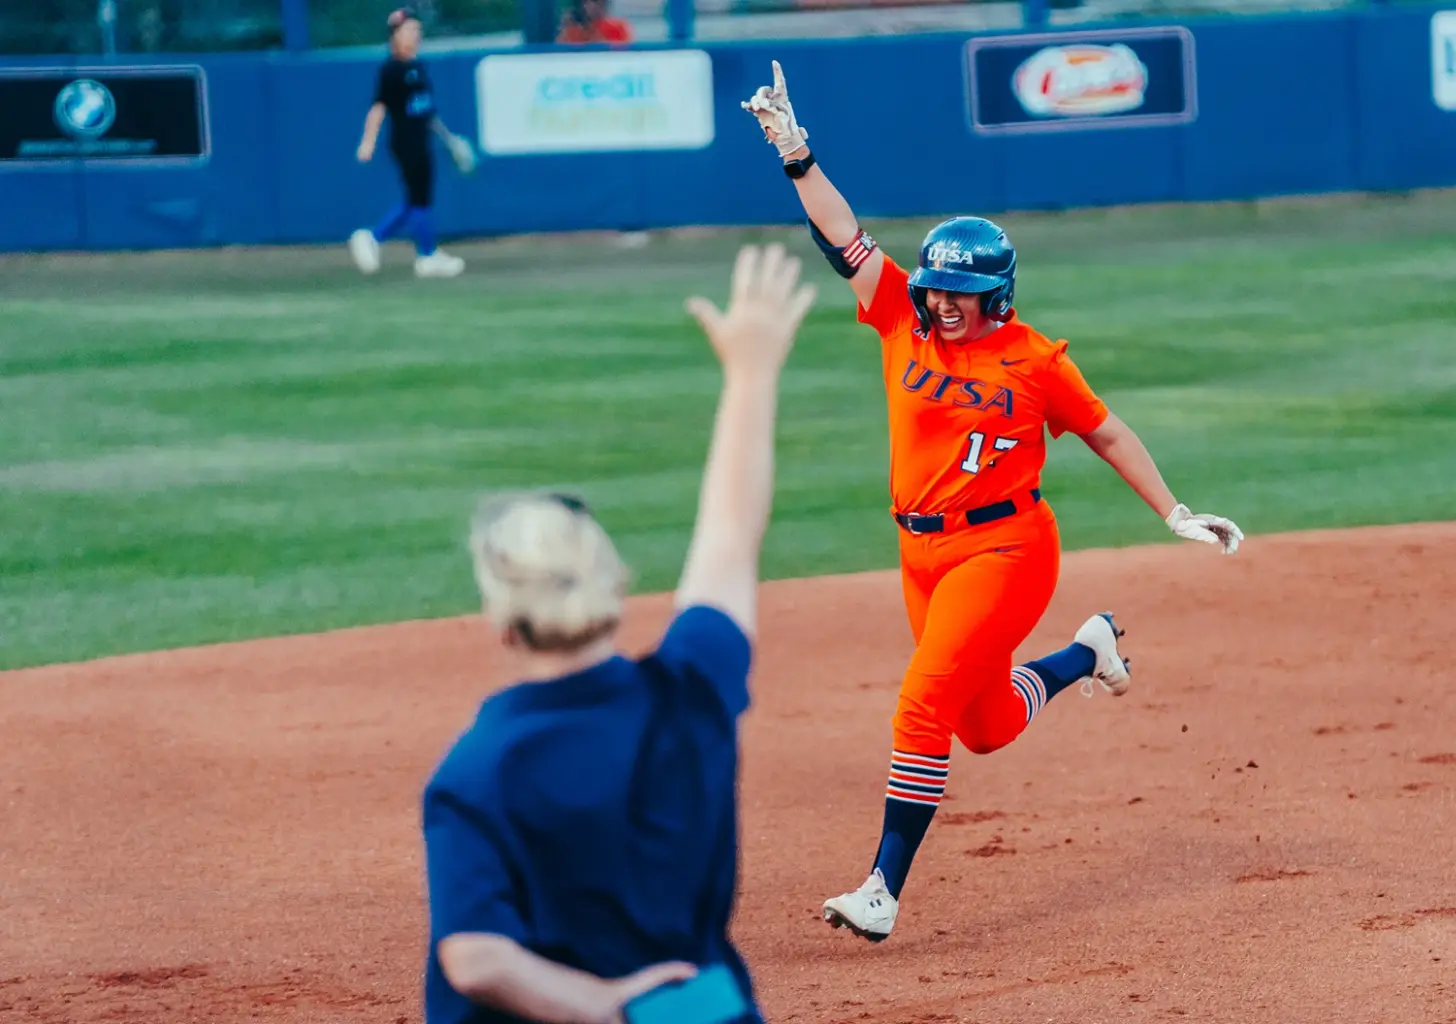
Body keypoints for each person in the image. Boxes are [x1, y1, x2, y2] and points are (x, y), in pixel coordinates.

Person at [739, 61, 1245, 944]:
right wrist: (795, 153)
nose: (939, 302)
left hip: (1007, 552)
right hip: (919, 553)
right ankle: (1088, 654)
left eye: (957, 294)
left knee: (922, 704)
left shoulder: (1037, 363)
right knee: (979, 728)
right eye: (935, 288)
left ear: (996, 296)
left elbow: (1109, 432)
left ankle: (881, 892)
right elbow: (843, 236)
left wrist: (1173, 511)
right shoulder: (899, 316)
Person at [420, 243, 817, 1024]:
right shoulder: (692, 687)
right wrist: (751, 372)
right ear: (618, 587)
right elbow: (731, 535)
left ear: (502, 624)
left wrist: (605, 1007)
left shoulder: (479, 768)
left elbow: (474, 958)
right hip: (705, 1009)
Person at [350, 8, 469, 279]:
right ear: (395, 35)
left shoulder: (419, 67)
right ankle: (421, 254)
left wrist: (449, 140)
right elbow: (378, 108)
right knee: (419, 198)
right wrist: (367, 141)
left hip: (421, 139)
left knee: (418, 199)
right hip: (405, 143)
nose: (415, 35)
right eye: (409, 30)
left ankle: (384, 240)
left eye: (417, 30)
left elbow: (427, 112)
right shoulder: (391, 69)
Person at [558, 0, 634, 44]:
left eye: (600, 2)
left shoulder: (619, 27)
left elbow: (624, 55)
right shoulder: (573, 30)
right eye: (590, 2)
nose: (595, 6)